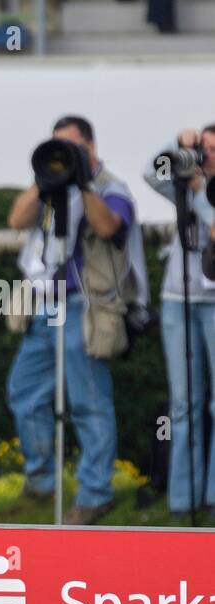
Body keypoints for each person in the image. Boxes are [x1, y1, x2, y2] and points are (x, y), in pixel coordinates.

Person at [6, 115, 148, 525]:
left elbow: (108, 226)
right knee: (25, 391)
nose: (63, 155)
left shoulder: (110, 188)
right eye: (56, 146)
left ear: (91, 147)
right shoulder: (51, 188)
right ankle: (41, 481)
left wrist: (81, 180)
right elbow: (17, 220)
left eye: (69, 147)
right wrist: (44, 174)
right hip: (44, 304)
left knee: (88, 402)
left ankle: (95, 494)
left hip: (86, 306)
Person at [142, 125, 215, 515]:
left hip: (213, 303)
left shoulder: (201, 194)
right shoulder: (184, 189)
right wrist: (175, 147)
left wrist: (202, 190)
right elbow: (151, 173)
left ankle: (213, 495)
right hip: (178, 300)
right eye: (202, 149)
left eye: (212, 150)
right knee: (184, 403)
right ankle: (183, 498)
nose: (205, 157)